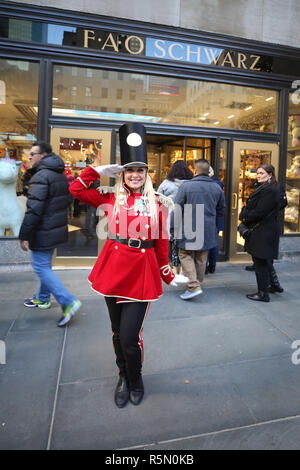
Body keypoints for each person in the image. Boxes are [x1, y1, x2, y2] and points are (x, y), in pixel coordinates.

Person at [69, 123, 177, 408]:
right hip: (114, 269)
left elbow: (162, 242)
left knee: (130, 336)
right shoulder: (109, 196)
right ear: (123, 174)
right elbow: (76, 190)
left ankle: (136, 378)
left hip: (142, 272)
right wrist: (96, 171)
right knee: (117, 332)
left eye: (140, 170)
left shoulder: (159, 203)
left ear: (146, 174)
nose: (135, 175)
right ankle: (123, 376)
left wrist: (167, 273)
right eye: (130, 170)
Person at [19, 141, 82, 327]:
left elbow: (34, 210)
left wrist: (24, 234)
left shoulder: (41, 176)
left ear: (44, 155)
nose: (30, 157)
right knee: (45, 265)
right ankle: (43, 297)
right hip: (54, 229)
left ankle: (68, 301)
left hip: (43, 230)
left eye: (33, 154)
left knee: (40, 267)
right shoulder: (60, 175)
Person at [171, 158, 226, 300]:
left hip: (189, 226)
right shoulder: (217, 187)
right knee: (202, 257)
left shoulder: (186, 186)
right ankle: (197, 284)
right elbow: (221, 210)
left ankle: (194, 286)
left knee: (185, 254)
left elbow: (177, 208)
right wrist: (213, 224)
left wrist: (172, 228)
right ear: (208, 172)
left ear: (195, 171)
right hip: (208, 227)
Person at [238, 164, 283, 302]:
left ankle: (263, 293)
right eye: (257, 173)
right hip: (265, 229)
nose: (258, 176)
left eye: (261, 173)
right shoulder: (269, 188)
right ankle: (274, 285)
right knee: (265, 260)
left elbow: (259, 212)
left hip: (263, 231)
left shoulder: (270, 190)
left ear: (270, 174)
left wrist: (244, 214)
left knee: (260, 262)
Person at [157, 160, 193, 274]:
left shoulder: (166, 183)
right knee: (184, 243)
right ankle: (183, 269)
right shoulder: (191, 183)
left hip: (170, 215)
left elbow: (157, 197)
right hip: (187, 216)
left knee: (171, 242)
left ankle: (172, 268)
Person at [205, 166, 225, 274]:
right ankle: (212, 265)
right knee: (214, 242)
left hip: (206, 218)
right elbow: (222, 206)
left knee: (205, 244)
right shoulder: (218, 185)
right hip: (216, 218)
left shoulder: (204, 185)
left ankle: (204, 266)